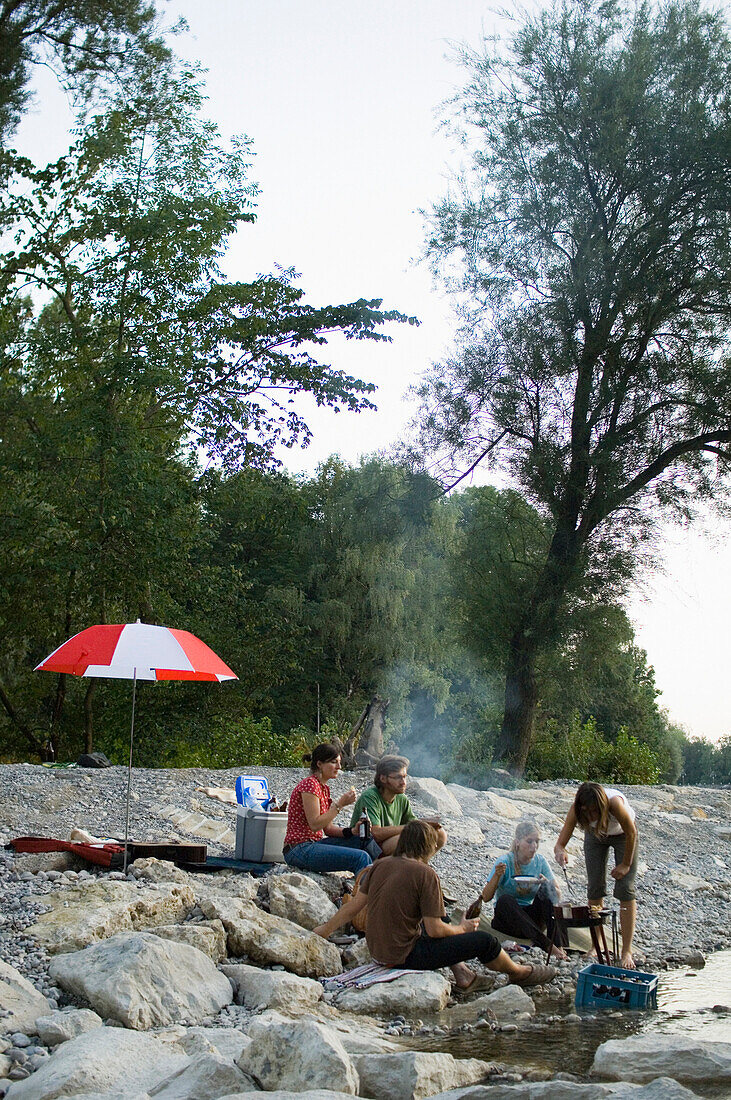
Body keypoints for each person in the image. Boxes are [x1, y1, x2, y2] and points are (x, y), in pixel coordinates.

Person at [314, 820, 557, 991]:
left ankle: (463, 976)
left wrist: (325, 929)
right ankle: (518, 973)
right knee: (486, 941)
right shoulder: (425, 874)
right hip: (402, 956)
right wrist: (463, 929)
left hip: (378, 949)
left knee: (440, 924)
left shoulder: (380, 865)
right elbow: (436, 931)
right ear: (428, 846)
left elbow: (354, 906)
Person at [554, 782, 639, 968]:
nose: (590, 816)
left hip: (624, 835)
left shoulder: (615, 803)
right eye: (586, 812)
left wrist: (625, 864)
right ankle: (596, 945)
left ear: (601, 806)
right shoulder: (578, 809)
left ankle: (627, 951)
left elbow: (632, 832)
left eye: (594, 811)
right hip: (596, 836)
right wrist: (561, 851)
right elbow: (560, 843)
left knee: (625, 888)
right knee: (595, 888)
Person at [283, 743, 378, 874]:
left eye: (339, 762)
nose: (339, 767)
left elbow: (328, 829)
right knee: (361, 857)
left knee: (365, 840)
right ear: (319, 764)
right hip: (298, 849)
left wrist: (352, 831)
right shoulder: (310, 785)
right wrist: (339, 805)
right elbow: (315, 824)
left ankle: (384, 875)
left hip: (314, 844)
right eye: (334, 762)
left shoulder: (323, 789)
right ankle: (365, 892)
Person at [480, 819, 568, 960]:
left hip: (532, 921)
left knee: (548, 887)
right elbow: (485, 897)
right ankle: (547, 945)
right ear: (518, 842)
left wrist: (548, 886)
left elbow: (557, 896)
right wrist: (497, 876)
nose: (534, 846)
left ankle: (558, 944)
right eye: (529, 841)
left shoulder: (540, 861)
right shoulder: (505, 861)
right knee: (505, 900)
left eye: (537, 842)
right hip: (508, 921)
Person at [349, 755, 447, 856]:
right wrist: (411, 826)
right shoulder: (370, 797)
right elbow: (375, 833)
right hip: (367, 847)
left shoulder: (401, 798)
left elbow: (412, 822)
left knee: (439, 833)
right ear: (383, 778)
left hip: (388, 842)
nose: (403, 782)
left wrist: (426, 823)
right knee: (409, 838)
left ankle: (419, 866)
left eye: (405, 777)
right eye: (398, 777)